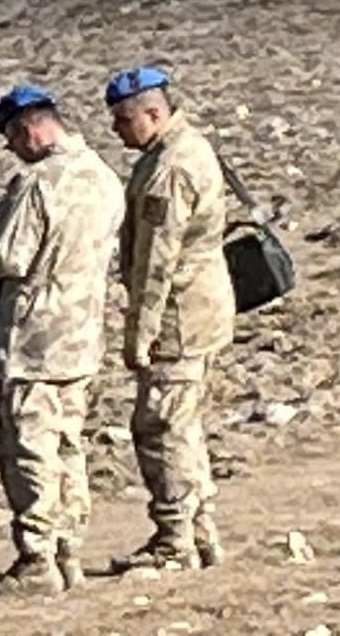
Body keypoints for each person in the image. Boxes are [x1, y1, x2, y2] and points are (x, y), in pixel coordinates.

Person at [0, 83, 125, 596]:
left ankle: (37, 558)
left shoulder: (40, 183)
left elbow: (11, 255)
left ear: (30, 127)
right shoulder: (103, 176)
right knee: (69, 445)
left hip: (34, 339)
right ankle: (68, 549)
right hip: (81, 335)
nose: (12, 149)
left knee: (30, 447)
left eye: (12, 137)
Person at [105, 64, 235, 573]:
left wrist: (140, 335)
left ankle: (175, 539)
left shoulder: (170, 169)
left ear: (153, 113)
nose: (117, 130)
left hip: (180, 316)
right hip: (202, 308)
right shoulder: (185, 148)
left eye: (123, 119)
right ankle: (199, 533)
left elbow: (156, 263)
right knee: (182, 424)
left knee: (161, 426)